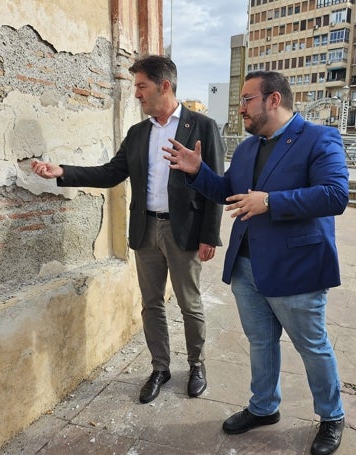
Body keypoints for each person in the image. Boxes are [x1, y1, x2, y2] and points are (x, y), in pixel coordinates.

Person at [164, 71, 348, 455]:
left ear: (274, 100)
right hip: (247, 267)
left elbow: (335, 196)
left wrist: (271, 202)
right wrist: (199, 172)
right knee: (260, 341)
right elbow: (229, 193)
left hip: (297, 266)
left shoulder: (318, 138)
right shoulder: (248, 148)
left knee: (312, 346)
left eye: (247, 99)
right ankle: (264, 407)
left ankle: (332, 416)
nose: (241, 107)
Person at [31, 55, 223, 404]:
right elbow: (110, 172)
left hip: (184, 231)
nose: (136, 94)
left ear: (164, 86)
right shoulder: (138, 133)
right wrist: (63, 172)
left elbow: (216, 185)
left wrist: (210, 234)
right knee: (151, 304)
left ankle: (197, 365)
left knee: (189, 304)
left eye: (141, 86)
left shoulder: (202, 126)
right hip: (145, 229)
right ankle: (160, 368)